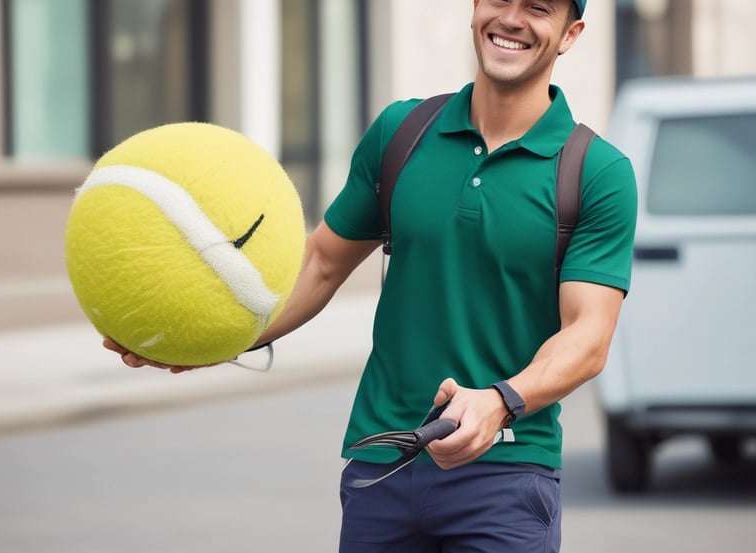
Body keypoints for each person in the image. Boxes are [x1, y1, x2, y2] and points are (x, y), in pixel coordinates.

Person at [106, 0, 637, 551]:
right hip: (382, 462)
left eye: (537, 7)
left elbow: (588, 337)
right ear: (475, 9)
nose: (511, 18)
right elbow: (320, 263)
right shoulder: (401, 133)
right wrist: (205, 338)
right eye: (498, 0)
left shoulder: (597, 173)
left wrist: (500, 399)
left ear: (570, 33)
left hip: (505, 470)